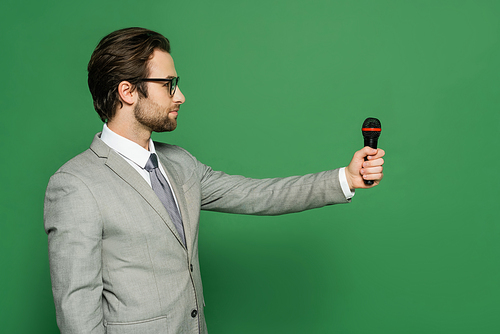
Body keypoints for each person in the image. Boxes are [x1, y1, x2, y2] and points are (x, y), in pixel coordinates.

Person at [44, 27, 385, 334]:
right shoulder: (75, 184)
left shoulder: (180, 162)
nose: (180, 96)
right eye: (168, 84)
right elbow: (77, 313)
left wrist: (346, 178)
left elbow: (256, 195)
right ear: (128, 91)